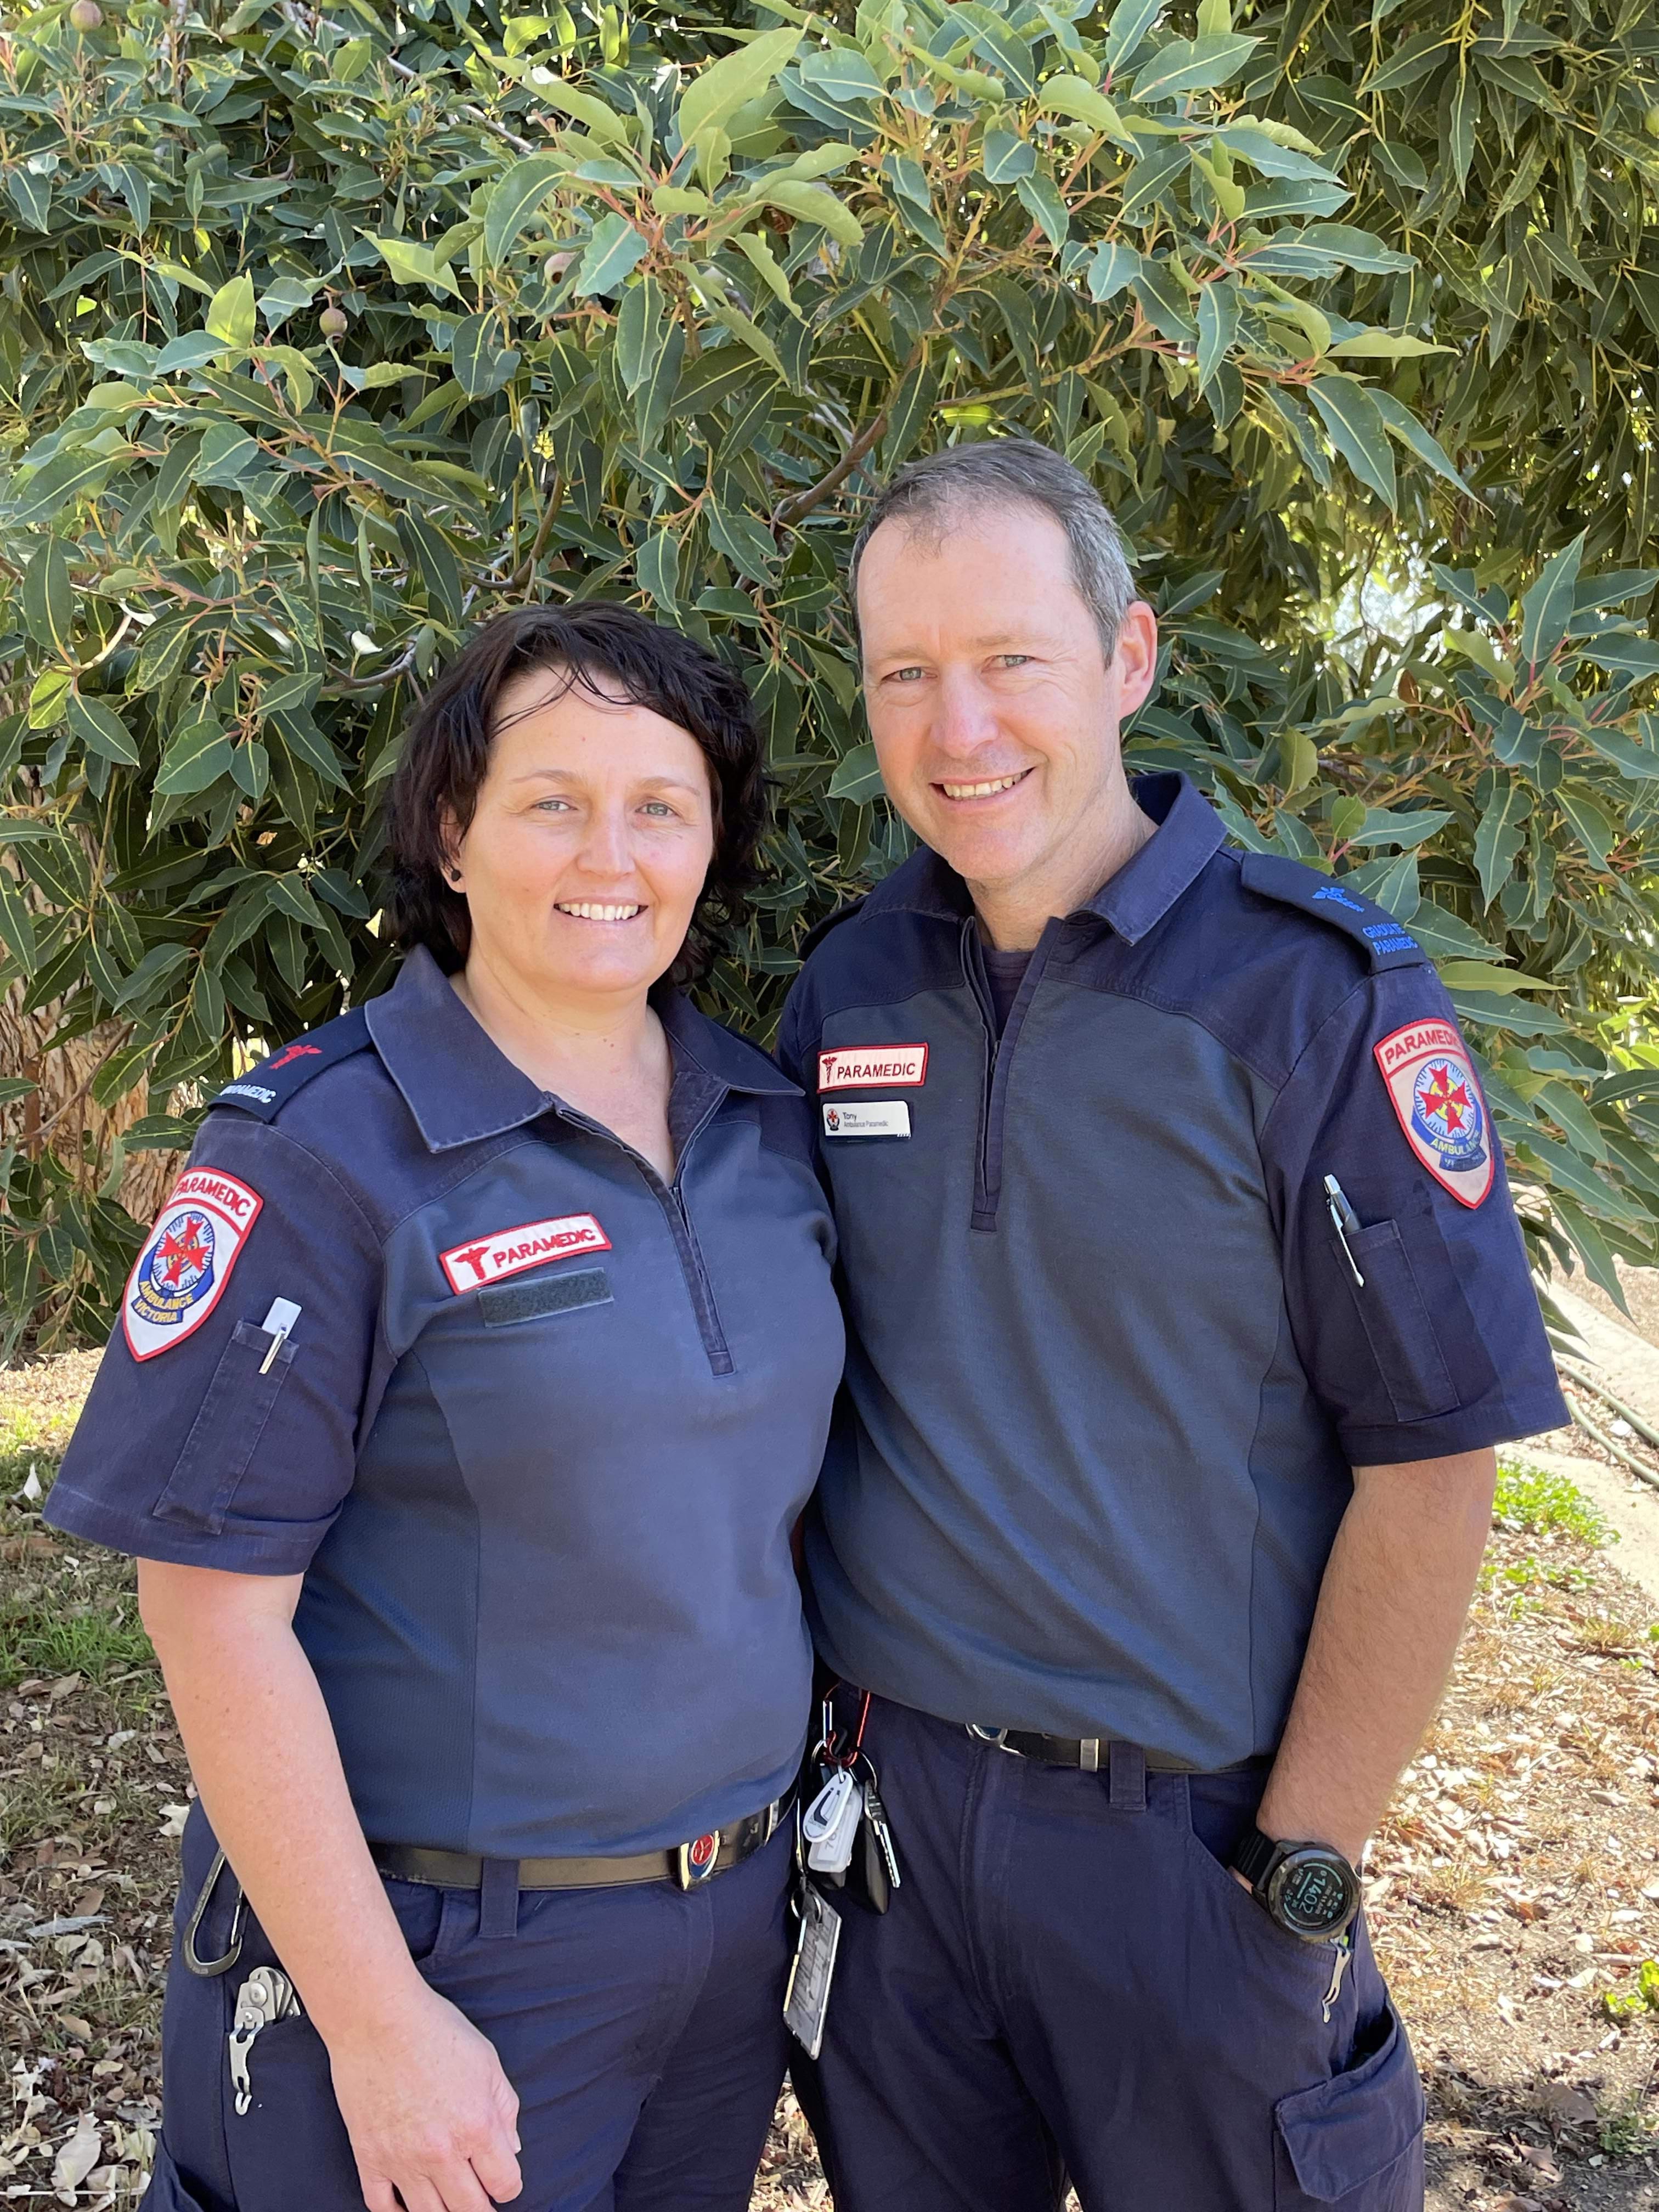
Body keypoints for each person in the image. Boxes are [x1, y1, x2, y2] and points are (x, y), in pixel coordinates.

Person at [778, 439, 1567, 2211]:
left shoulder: (1309, 998)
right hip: (892, 1841)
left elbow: (1435, 1464)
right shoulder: (848, 989)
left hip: (1186, 1855)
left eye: (1010, 662)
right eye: (906, 673)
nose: (957, 725)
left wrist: (1297, 1870)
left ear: (1128, 660)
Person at [45, 603, 845, 2212]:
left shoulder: (769, 1130)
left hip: (725, 1940)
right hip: (436, 1954)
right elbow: (208, 1615)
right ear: (452, 836)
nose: (607, 850)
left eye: (659, 805)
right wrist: (377, 2020)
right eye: (552, 799)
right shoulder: (324, 1155)